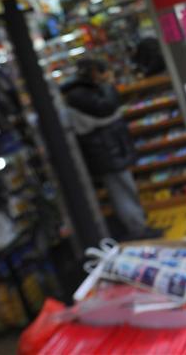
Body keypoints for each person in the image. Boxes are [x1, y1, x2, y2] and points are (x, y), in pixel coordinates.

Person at [62, 59, 161, 239]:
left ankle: (136, 223)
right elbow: (107, 110)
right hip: (104, 150)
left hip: (107, 148)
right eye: (103, 72)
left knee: (123, 188)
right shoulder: (79, 95)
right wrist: (108, 85)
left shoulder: (81, 92)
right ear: (95, 72)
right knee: (122, 189)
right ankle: (137, 228)